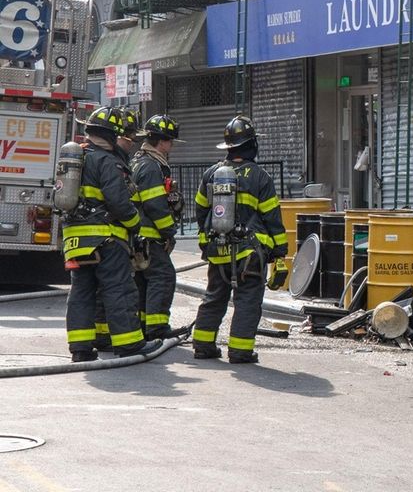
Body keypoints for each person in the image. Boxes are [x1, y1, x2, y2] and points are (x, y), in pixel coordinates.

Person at [63, 107, 159, 361]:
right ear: (113, 136)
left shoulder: (77, 159)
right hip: (106, 238)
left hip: (75, 240)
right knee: (119, 289)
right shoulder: (108, 161)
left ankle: (81, 348)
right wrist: (136, 223)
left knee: (82, 291)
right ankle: (129, 344)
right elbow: (119, 202)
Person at [191, 115, 287, 363]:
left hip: (218, 249)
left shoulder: (212, 173)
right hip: (249, 253)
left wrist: (205, 241)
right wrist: (280, 251)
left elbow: (201, 210)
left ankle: (202, 345)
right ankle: (240, 351)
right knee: (247, 301)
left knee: (214, 296)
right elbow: (271, 217)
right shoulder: (259, 176)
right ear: (251, 145)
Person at [131, 114, 183, 340]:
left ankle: (144, 325)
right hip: (150, 236)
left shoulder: (138, 161)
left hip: (139, 236)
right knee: (163, 277)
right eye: (170, 141)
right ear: (162, 141)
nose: (171, 146)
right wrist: (169, 232)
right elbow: (155, 205)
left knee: (144, 280)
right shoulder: (152, 167)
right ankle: (157, 328)